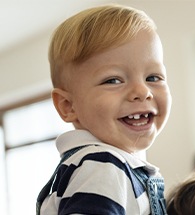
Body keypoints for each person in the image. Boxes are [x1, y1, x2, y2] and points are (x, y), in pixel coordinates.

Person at [36, 4, 172, 215]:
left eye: (153, 77)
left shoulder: (108, 165)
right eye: (113, 80)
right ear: (68, 105)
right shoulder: (102, 165)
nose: (142, 91)